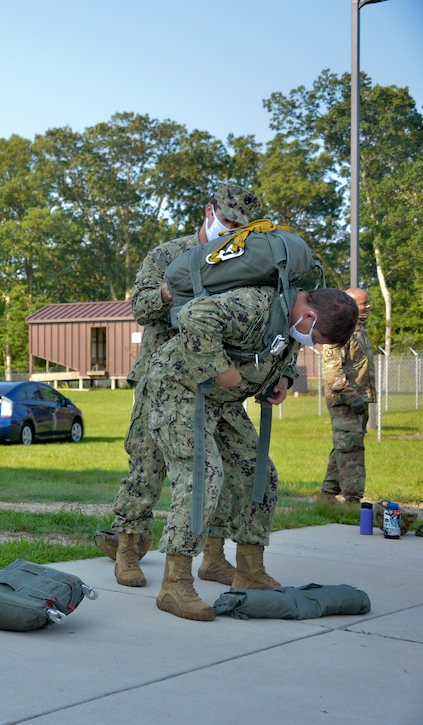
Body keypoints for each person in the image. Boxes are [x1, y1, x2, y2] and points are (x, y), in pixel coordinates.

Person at [144, 286, 358, 620]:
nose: (314, 346)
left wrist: (284, 378)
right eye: (317, 339)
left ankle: (249, 570)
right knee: (203, 474)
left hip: (219, 399)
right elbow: (194, 316)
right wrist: (219, 367)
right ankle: (175, 582)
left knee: (259, 473)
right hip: (177, 388)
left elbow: (280, 350)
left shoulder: (292, 318)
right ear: (309, 316)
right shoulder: (257, 304)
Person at [108, 183, 262, 589]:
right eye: (227, 221)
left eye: (240, 227)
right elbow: (140, 309)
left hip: (214, 383)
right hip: (160, 377)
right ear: (209, 211)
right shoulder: (167, 255)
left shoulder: (240, 262)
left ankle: (214, 557)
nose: (230, 231)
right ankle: (126, 548)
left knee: (223, 470)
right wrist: (173, 285)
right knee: (147, 464)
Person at [320, 287, 375, 505]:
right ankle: (352, 501)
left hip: (359, 401)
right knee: (351, 450)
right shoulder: (339, 331)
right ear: (350, 305)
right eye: (364, 304)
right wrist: (353, 398)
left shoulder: (359, 329)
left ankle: (327, 496)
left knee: (344, 446)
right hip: (345, 402)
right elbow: (333, 375)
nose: (368, 306)